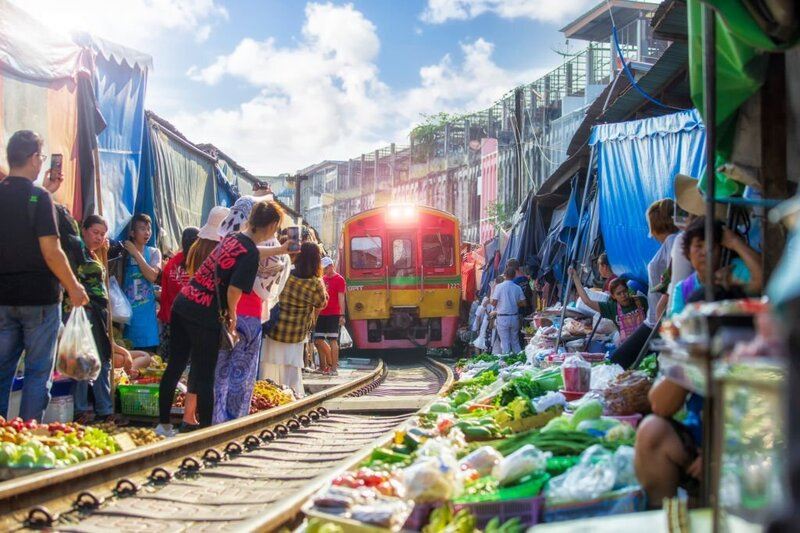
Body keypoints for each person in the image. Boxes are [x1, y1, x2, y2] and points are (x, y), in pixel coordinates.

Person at [157, 203, 271, 434]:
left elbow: (250, 252)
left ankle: (163, 424)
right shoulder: (249, 254)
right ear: (271, 226)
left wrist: (280, 250)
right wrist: (232, 318)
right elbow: (233, 291)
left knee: (175, 366)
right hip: (205, 314)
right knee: (206, 374)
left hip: (184, 303)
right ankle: (206, 434)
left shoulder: (232, 239)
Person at [0, 130, 88, 420]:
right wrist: (73, 286)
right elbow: (51, 251)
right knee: (38, 373)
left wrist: (47, 193)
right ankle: (26, 435)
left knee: (2, 372)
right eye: (40, 156)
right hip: (39, 298)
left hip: (3, 297)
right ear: (33, 158)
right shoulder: (37, 198)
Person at [213, 199, 290, 425]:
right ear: (271, 225)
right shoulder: (274, 254)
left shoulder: (230, 240)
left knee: (222, 370)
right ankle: (236, 422)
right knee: (243, 373)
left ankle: (216, 421)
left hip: (224, 313)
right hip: (248, 315)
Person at [169, 207, 228, 427]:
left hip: (190, 309)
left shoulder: (195, 248)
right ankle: (206, 419)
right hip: (210, 312)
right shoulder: (222, 251)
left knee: (196, 366)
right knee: (209, 369)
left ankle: (189, 415)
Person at [610, 199, 679, 368]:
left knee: (618, 361)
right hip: (654, 321)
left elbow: (675, 277)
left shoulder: (673, 241)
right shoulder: (670, 243)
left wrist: (665, 299)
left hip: (659, 322)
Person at [260, 242, 328, 398]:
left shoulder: (287, 274)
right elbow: (321, 303)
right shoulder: (315, 283)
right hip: (296, 333)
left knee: (269, 364)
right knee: (291, 368)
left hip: (275, 329)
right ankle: (291, 395)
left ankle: (266, 394)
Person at [669, 217, 763, 317]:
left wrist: (735, 242)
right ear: (688, 252)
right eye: (699, 246)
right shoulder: (683, 289)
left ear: (721, 250)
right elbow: (676, 324)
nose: (705, 252)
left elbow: (762, 281)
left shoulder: (737, 268)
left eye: (711, 246)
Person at [634, 376, 704, 505]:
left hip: (739, 447)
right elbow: (660, 405)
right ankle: (663, 517)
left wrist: (721, 452)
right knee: (653, 430)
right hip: (699, 444)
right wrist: (686, 362)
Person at [569, 267, 648, 344]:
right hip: (630, 346)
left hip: (647, 342)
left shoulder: (640, 301)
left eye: (624, 291)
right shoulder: (612, 308)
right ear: (613, 296)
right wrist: (575, 277)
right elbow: (587, 301)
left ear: (628, 290)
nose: (623, 295)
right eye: (619, 294)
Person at [121, 214, 162, 352]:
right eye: (142, 229)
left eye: (148, 229)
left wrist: (136, 253)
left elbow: (152, 276)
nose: (147, 232)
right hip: (127, 318)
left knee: (150, 362)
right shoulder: (123, 253)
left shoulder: (154, 252)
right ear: (132, 232)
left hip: (148, 321)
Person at [157, 226, 199, 357]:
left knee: (167, 361)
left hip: (169, 318)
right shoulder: (199, 263)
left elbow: (164, 291)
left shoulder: (171, 263)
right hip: (190, 321)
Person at [313, 257, 346, 375]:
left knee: (333, 340)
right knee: (318, 340)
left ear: (331, 266)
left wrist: (342, 314)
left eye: (326, 268)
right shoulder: (322, 279)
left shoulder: (339, 279)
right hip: (321, 312)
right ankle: (324, 366)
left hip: (334, 313)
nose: (325, 270)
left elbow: (341, 297)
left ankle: (333, 368)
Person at [490, 267, 527, 355]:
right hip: (514, 317)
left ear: (505, 275)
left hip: (502, 318)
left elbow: (494, 303)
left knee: (505, 342)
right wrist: (513, 303)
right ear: (514, 276)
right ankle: (519, 360)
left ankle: (507, 362)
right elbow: (524, 303)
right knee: (515, 341)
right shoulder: (517, 287)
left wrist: (491, 297)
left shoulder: (499, 287)